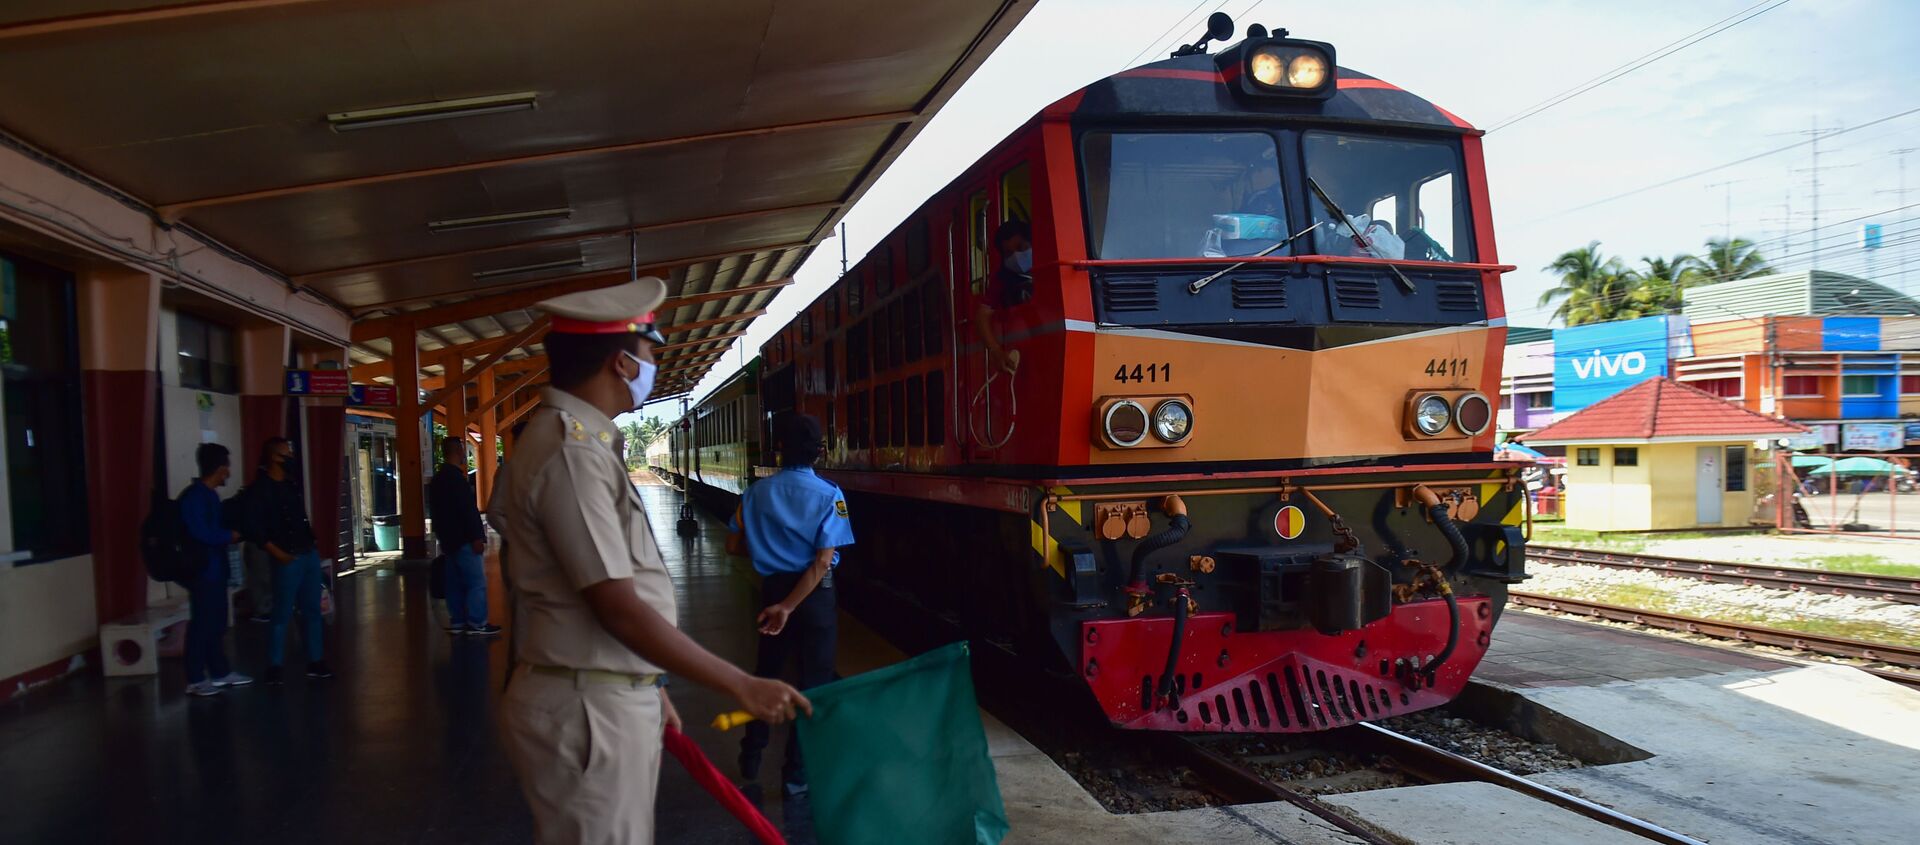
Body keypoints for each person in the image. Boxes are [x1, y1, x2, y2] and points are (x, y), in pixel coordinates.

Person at [488, 277, 810, 845]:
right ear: (620, 362)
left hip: (602, 693)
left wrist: (647, 681)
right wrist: (741, 684)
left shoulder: (582, 444)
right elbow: (616, 607)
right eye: (649, 352)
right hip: (588, 710)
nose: (653, 363)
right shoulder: (570, 452)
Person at [729, 411, 854, 797]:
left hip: (771, 591)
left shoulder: (752, 494)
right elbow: (821, 561)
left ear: (779, 449)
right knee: (812, 684)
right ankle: (796, 776)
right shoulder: (831, 495)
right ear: (819, 452)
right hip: (814, 600)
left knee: (767, 672)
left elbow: (732, 545)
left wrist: (771, 558)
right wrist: (792, 604)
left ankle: (752, 750)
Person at [247, 436, 332, 684]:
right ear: (274, 457)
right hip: (287, 558)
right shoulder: (261, 490)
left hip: (307, 553)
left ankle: (316, 661)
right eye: (286, 454)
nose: (291, 459)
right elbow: (256, 530)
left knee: (313, 611)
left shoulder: (290, 484)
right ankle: (274, 665)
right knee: (281, 613)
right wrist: (279, 554)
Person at [179, 443, 252, 697]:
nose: (229, 473)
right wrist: (228, 535)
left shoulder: (210, 496)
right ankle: (195, 677)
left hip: (216, 570)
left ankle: (219, 672)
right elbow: (200, 532)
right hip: (202, 571)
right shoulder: (194, 498)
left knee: (217, 622)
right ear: (221, 469)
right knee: (202, 624)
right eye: (227, 467)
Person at [429, 436, 499, 636]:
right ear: (458, 452)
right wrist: (477, 537)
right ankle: (478, 622)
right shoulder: (457, 479)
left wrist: (442, 537)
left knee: (454, 584)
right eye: (462, 450)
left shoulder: (438, 479)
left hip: (449, 540)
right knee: (476, 582)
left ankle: (458, 620)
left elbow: (436, 512)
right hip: (465, 540)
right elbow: (467, 510)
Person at [975, 220, 1033, 375]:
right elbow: (982, 315)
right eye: (1009, 253)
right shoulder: (1001, 280)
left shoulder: (1051, 266)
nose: (1016, 256)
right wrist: (996, 351)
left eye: (1021, 248)